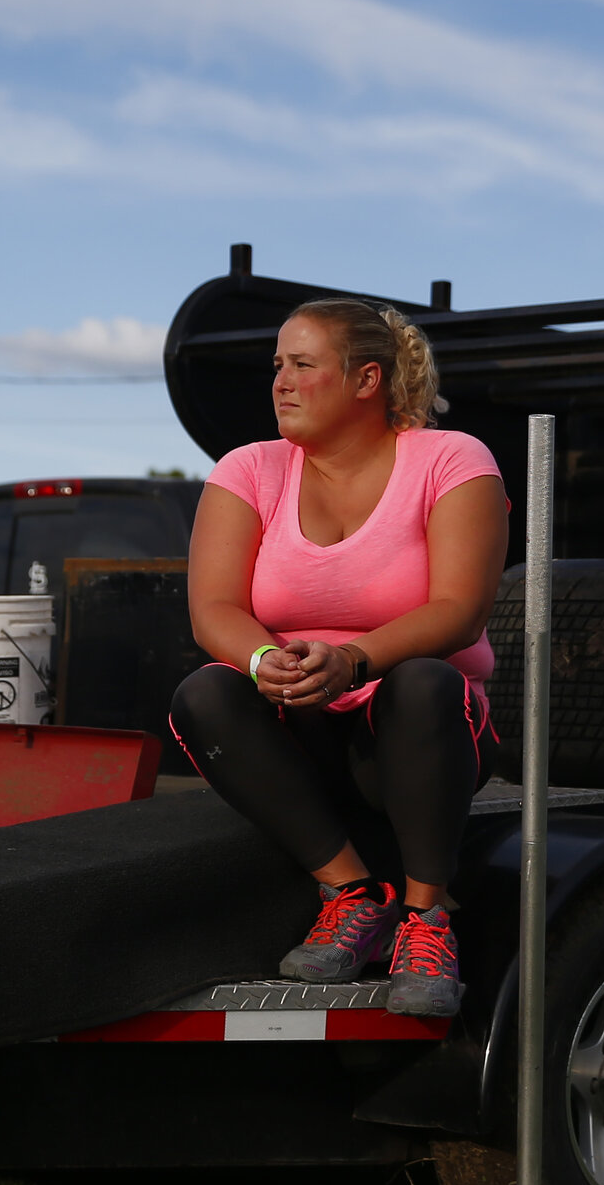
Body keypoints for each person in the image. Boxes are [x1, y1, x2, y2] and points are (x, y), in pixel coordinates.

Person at [172, 297, 508, 1017]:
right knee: (207, 691)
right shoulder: (249, 470)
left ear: (366, 380)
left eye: (302, 365)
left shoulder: (451, 459)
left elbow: (460, 610)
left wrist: (353, 660)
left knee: (422, 680)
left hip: (414, 738)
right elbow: (214, 611)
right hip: (304, 731)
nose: (281, 383)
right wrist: (268, 661)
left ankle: (426, 920)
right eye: (276, 367)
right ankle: (354, 894)